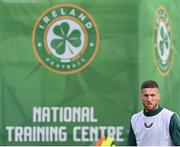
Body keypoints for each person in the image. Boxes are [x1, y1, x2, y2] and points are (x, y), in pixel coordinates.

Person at [128, 80, 180, 146]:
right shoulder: (134, 119)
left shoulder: (170, 117)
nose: (149, 99)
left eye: (152, 95)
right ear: (141, 97)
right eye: (146, 95)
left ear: (158, 96)